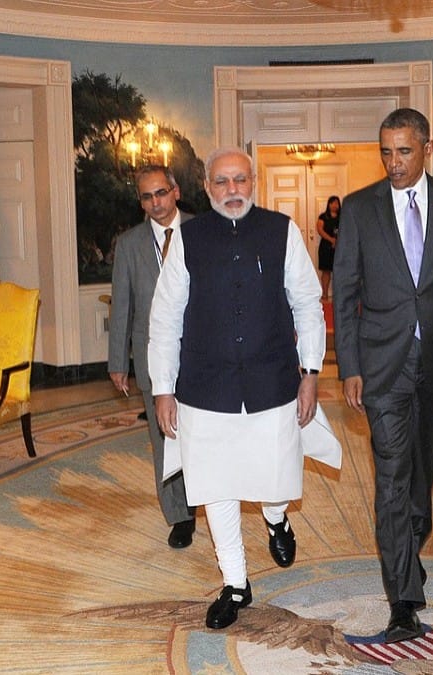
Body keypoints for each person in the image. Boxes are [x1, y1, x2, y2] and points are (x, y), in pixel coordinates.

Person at [333, 107, 433, 644]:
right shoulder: (359, 209)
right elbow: (347, 293)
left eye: (403, 151)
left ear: (426, 148)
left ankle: (411, 541)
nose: (393, 163)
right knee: (392, 476)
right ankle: (402, 598)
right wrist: (350, 366)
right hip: (381, 367)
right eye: (385, 151)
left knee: (421, 476)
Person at [148, 147, 325, 631]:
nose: (232, 191)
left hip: (272, 380)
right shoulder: (187, 239)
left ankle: (275, 517)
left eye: (240, 181)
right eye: (221, 183)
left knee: (275, 473)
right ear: (206, 188)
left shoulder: (281, 231)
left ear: (255, 182)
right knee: (215, 486)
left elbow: (308, 304)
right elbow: (164, 319)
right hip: (205, 387)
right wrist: (163, 388)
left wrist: (310, 372)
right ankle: (236, 583)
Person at [108, 165, 196, 549]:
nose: (155, 203)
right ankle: (179, 516)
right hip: (150, 356)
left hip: (200, 353)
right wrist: (117, 361)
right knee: (165, 437)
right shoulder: (129, 244)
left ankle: (208, 498)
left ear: (175, 191)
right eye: (147, 197)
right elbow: (122, 304)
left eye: (161, 193)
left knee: (203, 433)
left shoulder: (202, 231)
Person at [315, 196, 341, 300]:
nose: (335, 205)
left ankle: (338, 295)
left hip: (340, 247)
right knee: (326, 271)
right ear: (329, 204)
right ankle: (325, 294)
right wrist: (331, 240)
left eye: (336, 203)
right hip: (326, 247)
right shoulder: (323, 216)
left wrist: (338, 241)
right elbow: (320, 230)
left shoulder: (342, 216)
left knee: (339, 271)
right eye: (332, 203)